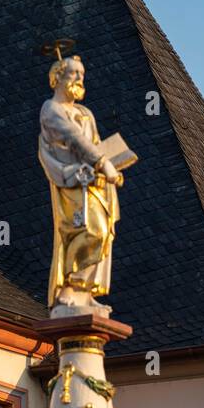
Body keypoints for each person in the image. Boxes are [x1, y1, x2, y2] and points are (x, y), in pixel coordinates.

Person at [38, 54, 123, 310]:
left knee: (103, 232)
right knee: (85, 229)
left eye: (82, 74)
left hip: (95, 183)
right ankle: (68, 285)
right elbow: (74, 138)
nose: (79, 78)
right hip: (70, 180)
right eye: (74, 73)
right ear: (57, 78)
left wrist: (114, 159)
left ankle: (82, 291)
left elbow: (93, 143)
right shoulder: (51, 109)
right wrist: (103, 163)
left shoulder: (85, 113)